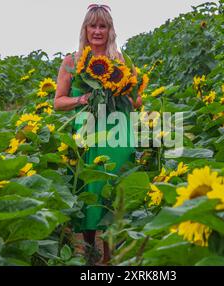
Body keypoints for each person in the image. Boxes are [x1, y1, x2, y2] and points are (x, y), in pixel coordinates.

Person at [54, 4, 142, 265]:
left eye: (103, 26)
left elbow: (135, 100)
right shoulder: (72, 61)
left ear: (110, 30)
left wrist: (124, 92)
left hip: (118, 130)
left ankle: (110, 256)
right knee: (91, 187)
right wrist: (84, 98)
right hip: (89, 130)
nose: (97, 31)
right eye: (92, 26)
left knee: (115, 186)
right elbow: (58, 102)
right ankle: (90, 251)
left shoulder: (119, 61)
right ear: (85, 29)